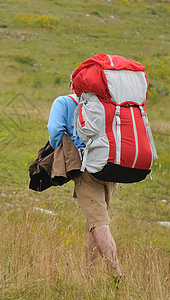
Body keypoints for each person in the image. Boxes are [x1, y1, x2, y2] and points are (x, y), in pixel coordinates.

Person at [47, 81, 122, 282]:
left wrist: (65, 154)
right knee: (94, 222)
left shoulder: (63, 102)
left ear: (73, 84)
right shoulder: (109, 103)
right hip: (111, 167)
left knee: (98, 223)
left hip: (86, 169)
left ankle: (116, 274)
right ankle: (88, 274)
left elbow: (54, 130)